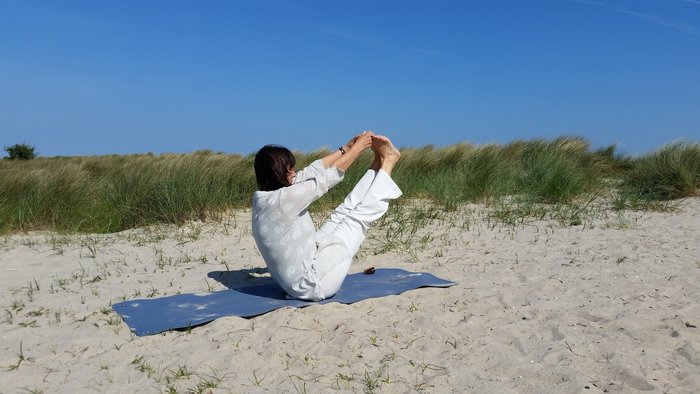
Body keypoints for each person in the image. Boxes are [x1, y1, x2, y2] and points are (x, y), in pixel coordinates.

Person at [251, 131, 402, 301]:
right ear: (278, 173)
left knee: (341, 214)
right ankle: (389, 161)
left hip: (306, 267)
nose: (294, 173)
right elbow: (327, 177)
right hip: (313, 284)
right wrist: (358, 148)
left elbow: (309, 173)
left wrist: (346, 148)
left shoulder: (264, 198)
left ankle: (378, 163)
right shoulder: (281, 200)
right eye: (290, 170)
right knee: (356, 219)